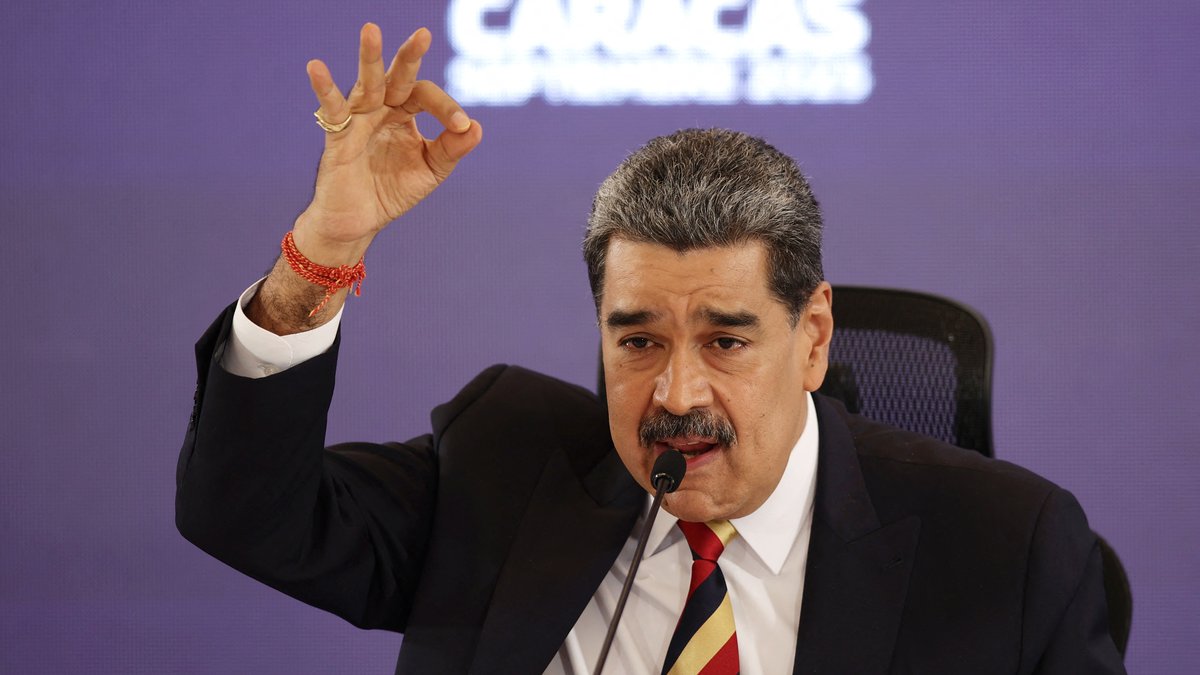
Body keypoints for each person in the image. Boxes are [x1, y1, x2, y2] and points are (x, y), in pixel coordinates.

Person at [176, 23, 1126, 674]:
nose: (676, 392)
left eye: (726, 339)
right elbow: (246, 514)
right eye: (638, 338)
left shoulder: (1008, 549)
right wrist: (324, 250)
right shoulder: (502, 472)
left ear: (812, 338)